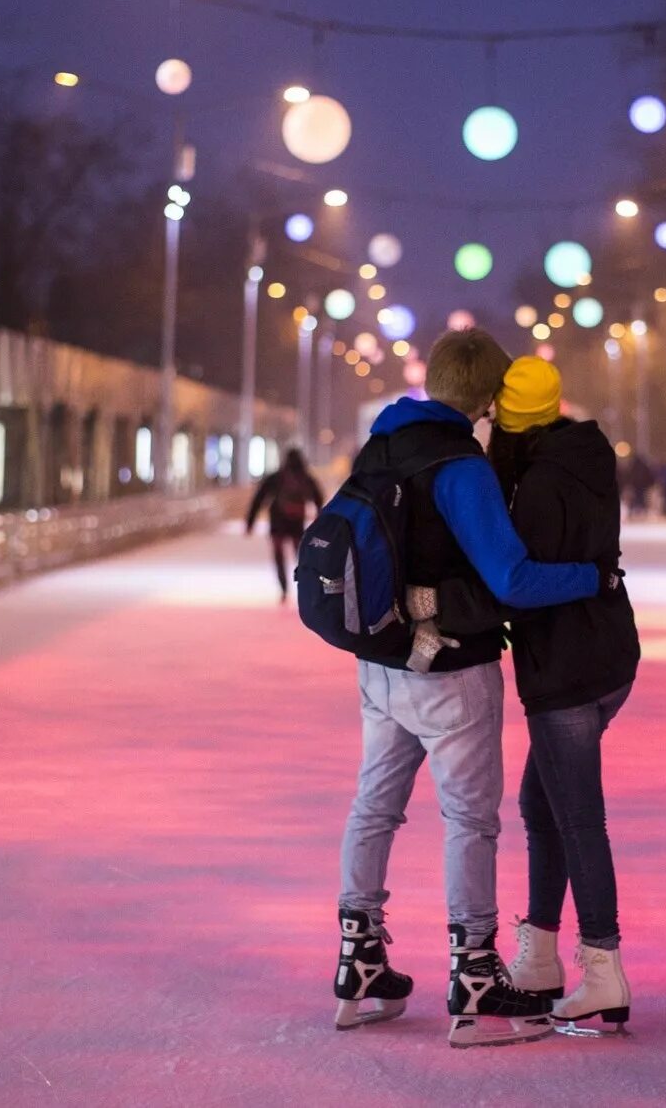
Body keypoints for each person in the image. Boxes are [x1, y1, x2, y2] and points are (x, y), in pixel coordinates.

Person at [330, 328, 607, 1049]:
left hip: (381, 663)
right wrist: (592, 577)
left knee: (373, 806)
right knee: (470, 820)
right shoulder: (461, 463)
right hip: (450, 673)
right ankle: (476, 973)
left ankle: (359, 961)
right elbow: (510, 577)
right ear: (487, 397)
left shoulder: (381, 443)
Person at [434, 357, 641, 1037]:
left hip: (566, 672)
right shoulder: (587, 455)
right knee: (540, 802)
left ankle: (602, 968)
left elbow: (518, 582)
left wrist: (440, 601)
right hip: (610, 658)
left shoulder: (538, 485)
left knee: (578, 816)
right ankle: (544, 953)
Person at [244, 447, 323, 602]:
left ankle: (284, 589)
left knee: (278, 557)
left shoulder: (276, 477)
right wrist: (319, 518)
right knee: (301, 557)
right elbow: (318, 498)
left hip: (277, 523)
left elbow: (259, 498)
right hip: (296, 524)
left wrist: (250, 522)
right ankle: (305, 588)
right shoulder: (305, 477)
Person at [622, 453, 656, 520]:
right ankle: (641, 511)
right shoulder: (644, 466)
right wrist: (650, 484)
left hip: (635, 486)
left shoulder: (633, 466)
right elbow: (649, 476)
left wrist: (628, 484)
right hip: (643, 486)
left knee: (635, 498)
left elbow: (628, 476)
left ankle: (633, 512)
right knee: (641, 498)